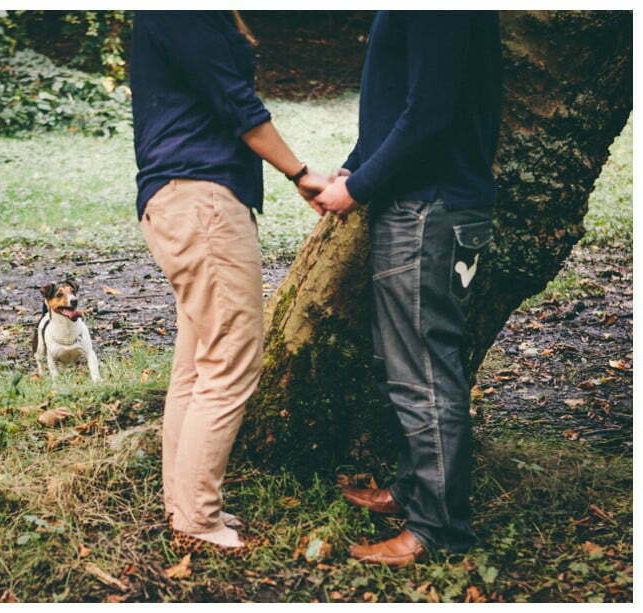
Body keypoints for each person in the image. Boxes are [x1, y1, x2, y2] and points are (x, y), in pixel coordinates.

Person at [130, 10, 328, 555]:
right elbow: (235, 102)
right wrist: (300, 173)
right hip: (201, 199)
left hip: (188, 196)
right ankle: (196, 518)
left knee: (198, 365)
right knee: (232, 360)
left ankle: (186, 503)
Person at [313, 10, 502, 565]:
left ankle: (438, 531)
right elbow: (398, 104)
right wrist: (354, 169)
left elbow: (429, 113)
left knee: (422, 371)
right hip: (420, 202)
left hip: (429, 208)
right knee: (405, 364)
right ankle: (414, 490)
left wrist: (362, 185)